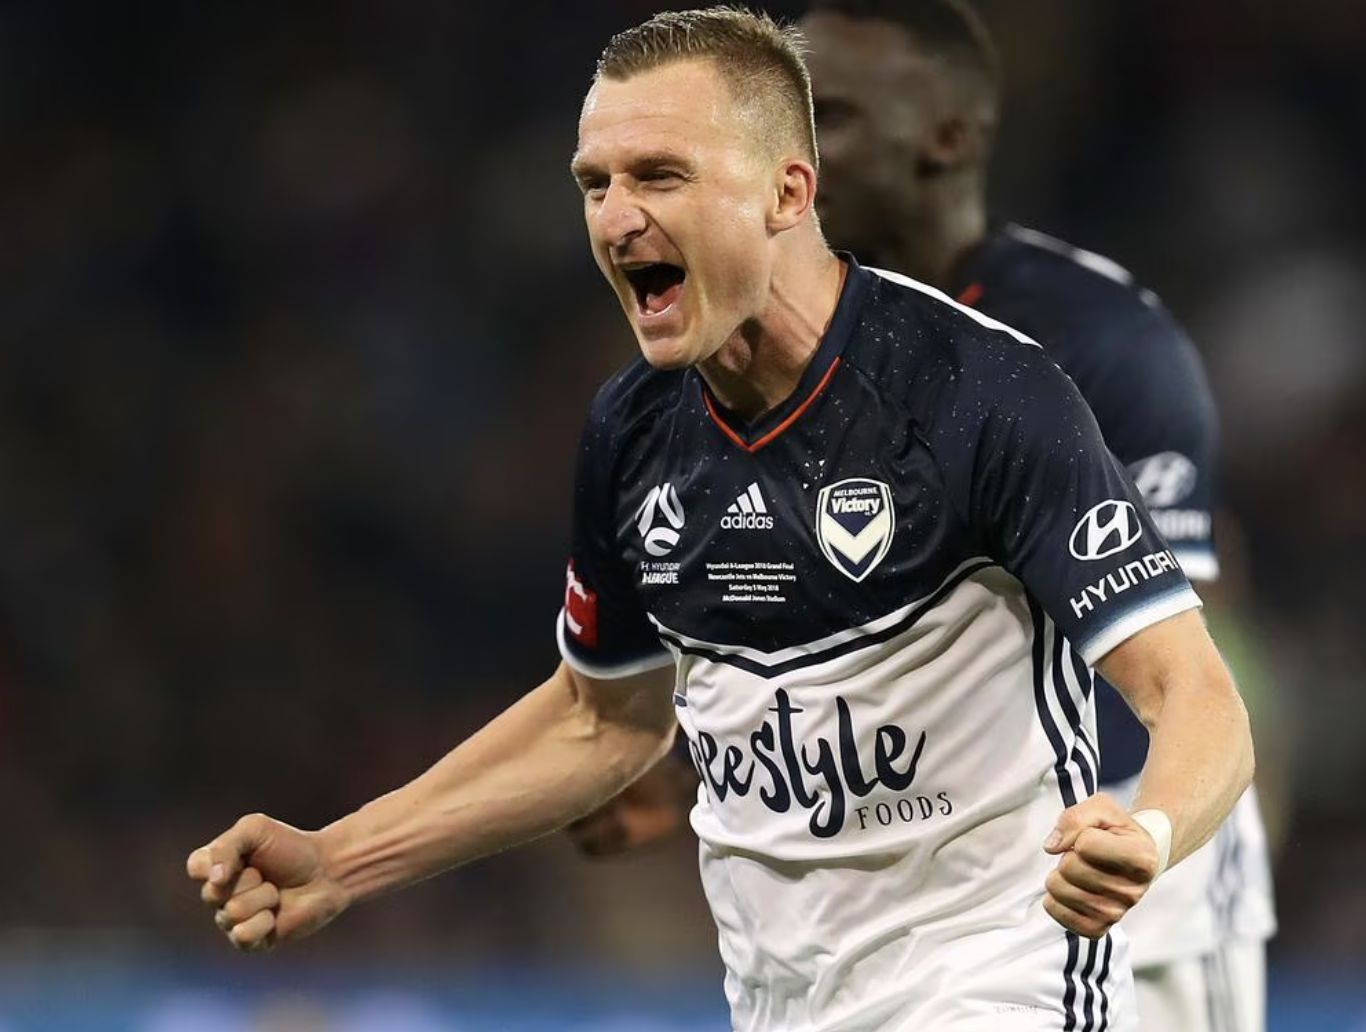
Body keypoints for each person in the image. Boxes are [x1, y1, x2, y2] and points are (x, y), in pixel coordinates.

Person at [187, 10, 1255, 1031]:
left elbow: (1195, 694)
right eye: (595, 182)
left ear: (788, 191)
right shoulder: (633, 431)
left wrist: (1151, 832)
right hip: (779, 1003)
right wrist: (342, 858)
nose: (615, 217)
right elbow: (603, 718)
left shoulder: (981, 395)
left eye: (659, 175)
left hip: (996, 985)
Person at [570, 2, 1276, 1029]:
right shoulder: (775, 357)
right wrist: (713, 760)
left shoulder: (1091, 342)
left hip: (1130, 847)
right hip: (924, 881)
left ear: (942, 138)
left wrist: (1142, 829)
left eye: (835, 116)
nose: (802, 145)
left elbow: (1171, 653)